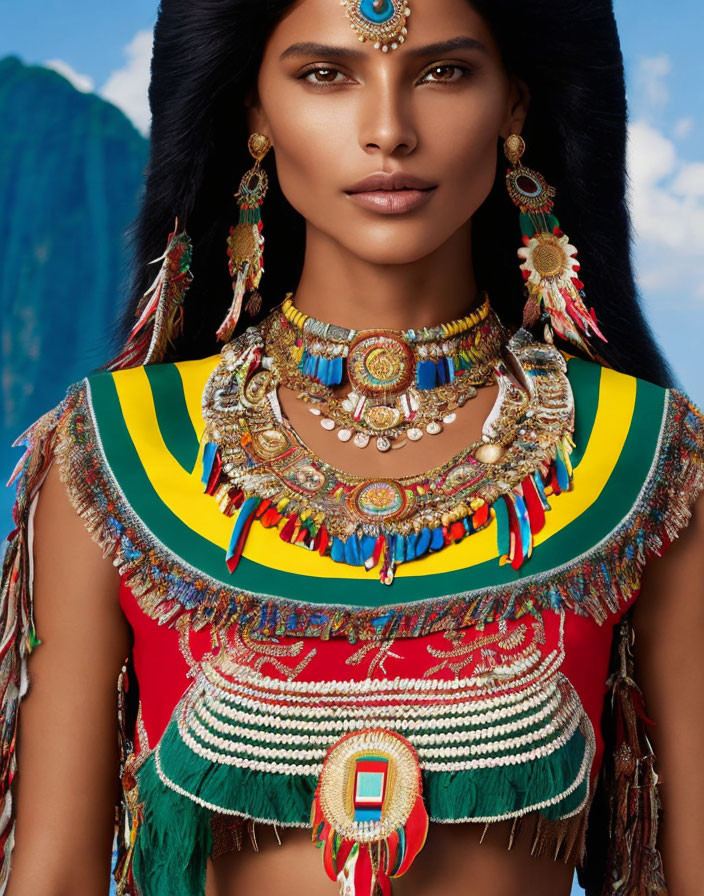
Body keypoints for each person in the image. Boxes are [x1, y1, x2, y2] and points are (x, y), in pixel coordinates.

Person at [1, 0, 703, 894]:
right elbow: (54, 876)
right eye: (325, 75)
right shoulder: (117, 452)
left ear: (515, 108)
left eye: (445, 73)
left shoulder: (643, 458)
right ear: (253, 111)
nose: (388, 131)